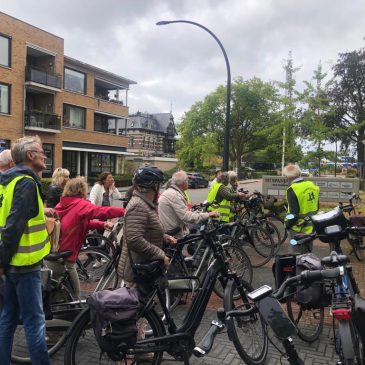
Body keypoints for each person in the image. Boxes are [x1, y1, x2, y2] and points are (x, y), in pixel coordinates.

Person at [0, 135, 56, 365]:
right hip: (24, 265)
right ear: (30, 156)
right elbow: (13, 227)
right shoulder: (27, 183)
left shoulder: (7, 182)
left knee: (8, 318)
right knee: (34, 323)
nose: (45, 155)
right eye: (42, 151)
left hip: (11, 264)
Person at [48, 177, 125, 298]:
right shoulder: (80, 204)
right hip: (66, 255)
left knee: (58, 288)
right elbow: (101, 211)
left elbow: (80, 222)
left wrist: (102, 224)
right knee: (76, 295)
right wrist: (125, 211)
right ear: (82, 190)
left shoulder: (64, 203)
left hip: (55, 250)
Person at [119, 166, 176, 288]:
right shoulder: (138, 206)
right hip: (138, 271)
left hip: (144, 269)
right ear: (152, 186)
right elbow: (134, 239)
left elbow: (146, 230)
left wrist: (163, 237)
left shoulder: (145, 204)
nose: (159, 189)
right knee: (137, 305)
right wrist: (160, 254)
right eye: (158, 185)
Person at [158, 171, 219, 238]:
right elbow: (187, 217)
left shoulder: (171, 192)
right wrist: (208, 214)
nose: (188, 182)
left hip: (170, 229)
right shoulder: (174, 196)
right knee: (196, 228)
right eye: (187, 181)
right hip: (174, 234)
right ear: (182, 183)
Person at [283, 164, 320, 250]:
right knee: (308, 251)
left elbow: (293, 214)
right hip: (311, 226)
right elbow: (317, 206)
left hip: (297, 228)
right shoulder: (312, 185)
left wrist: (287, 225)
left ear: (288, 177)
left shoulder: (292, 189)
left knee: (296, 250)